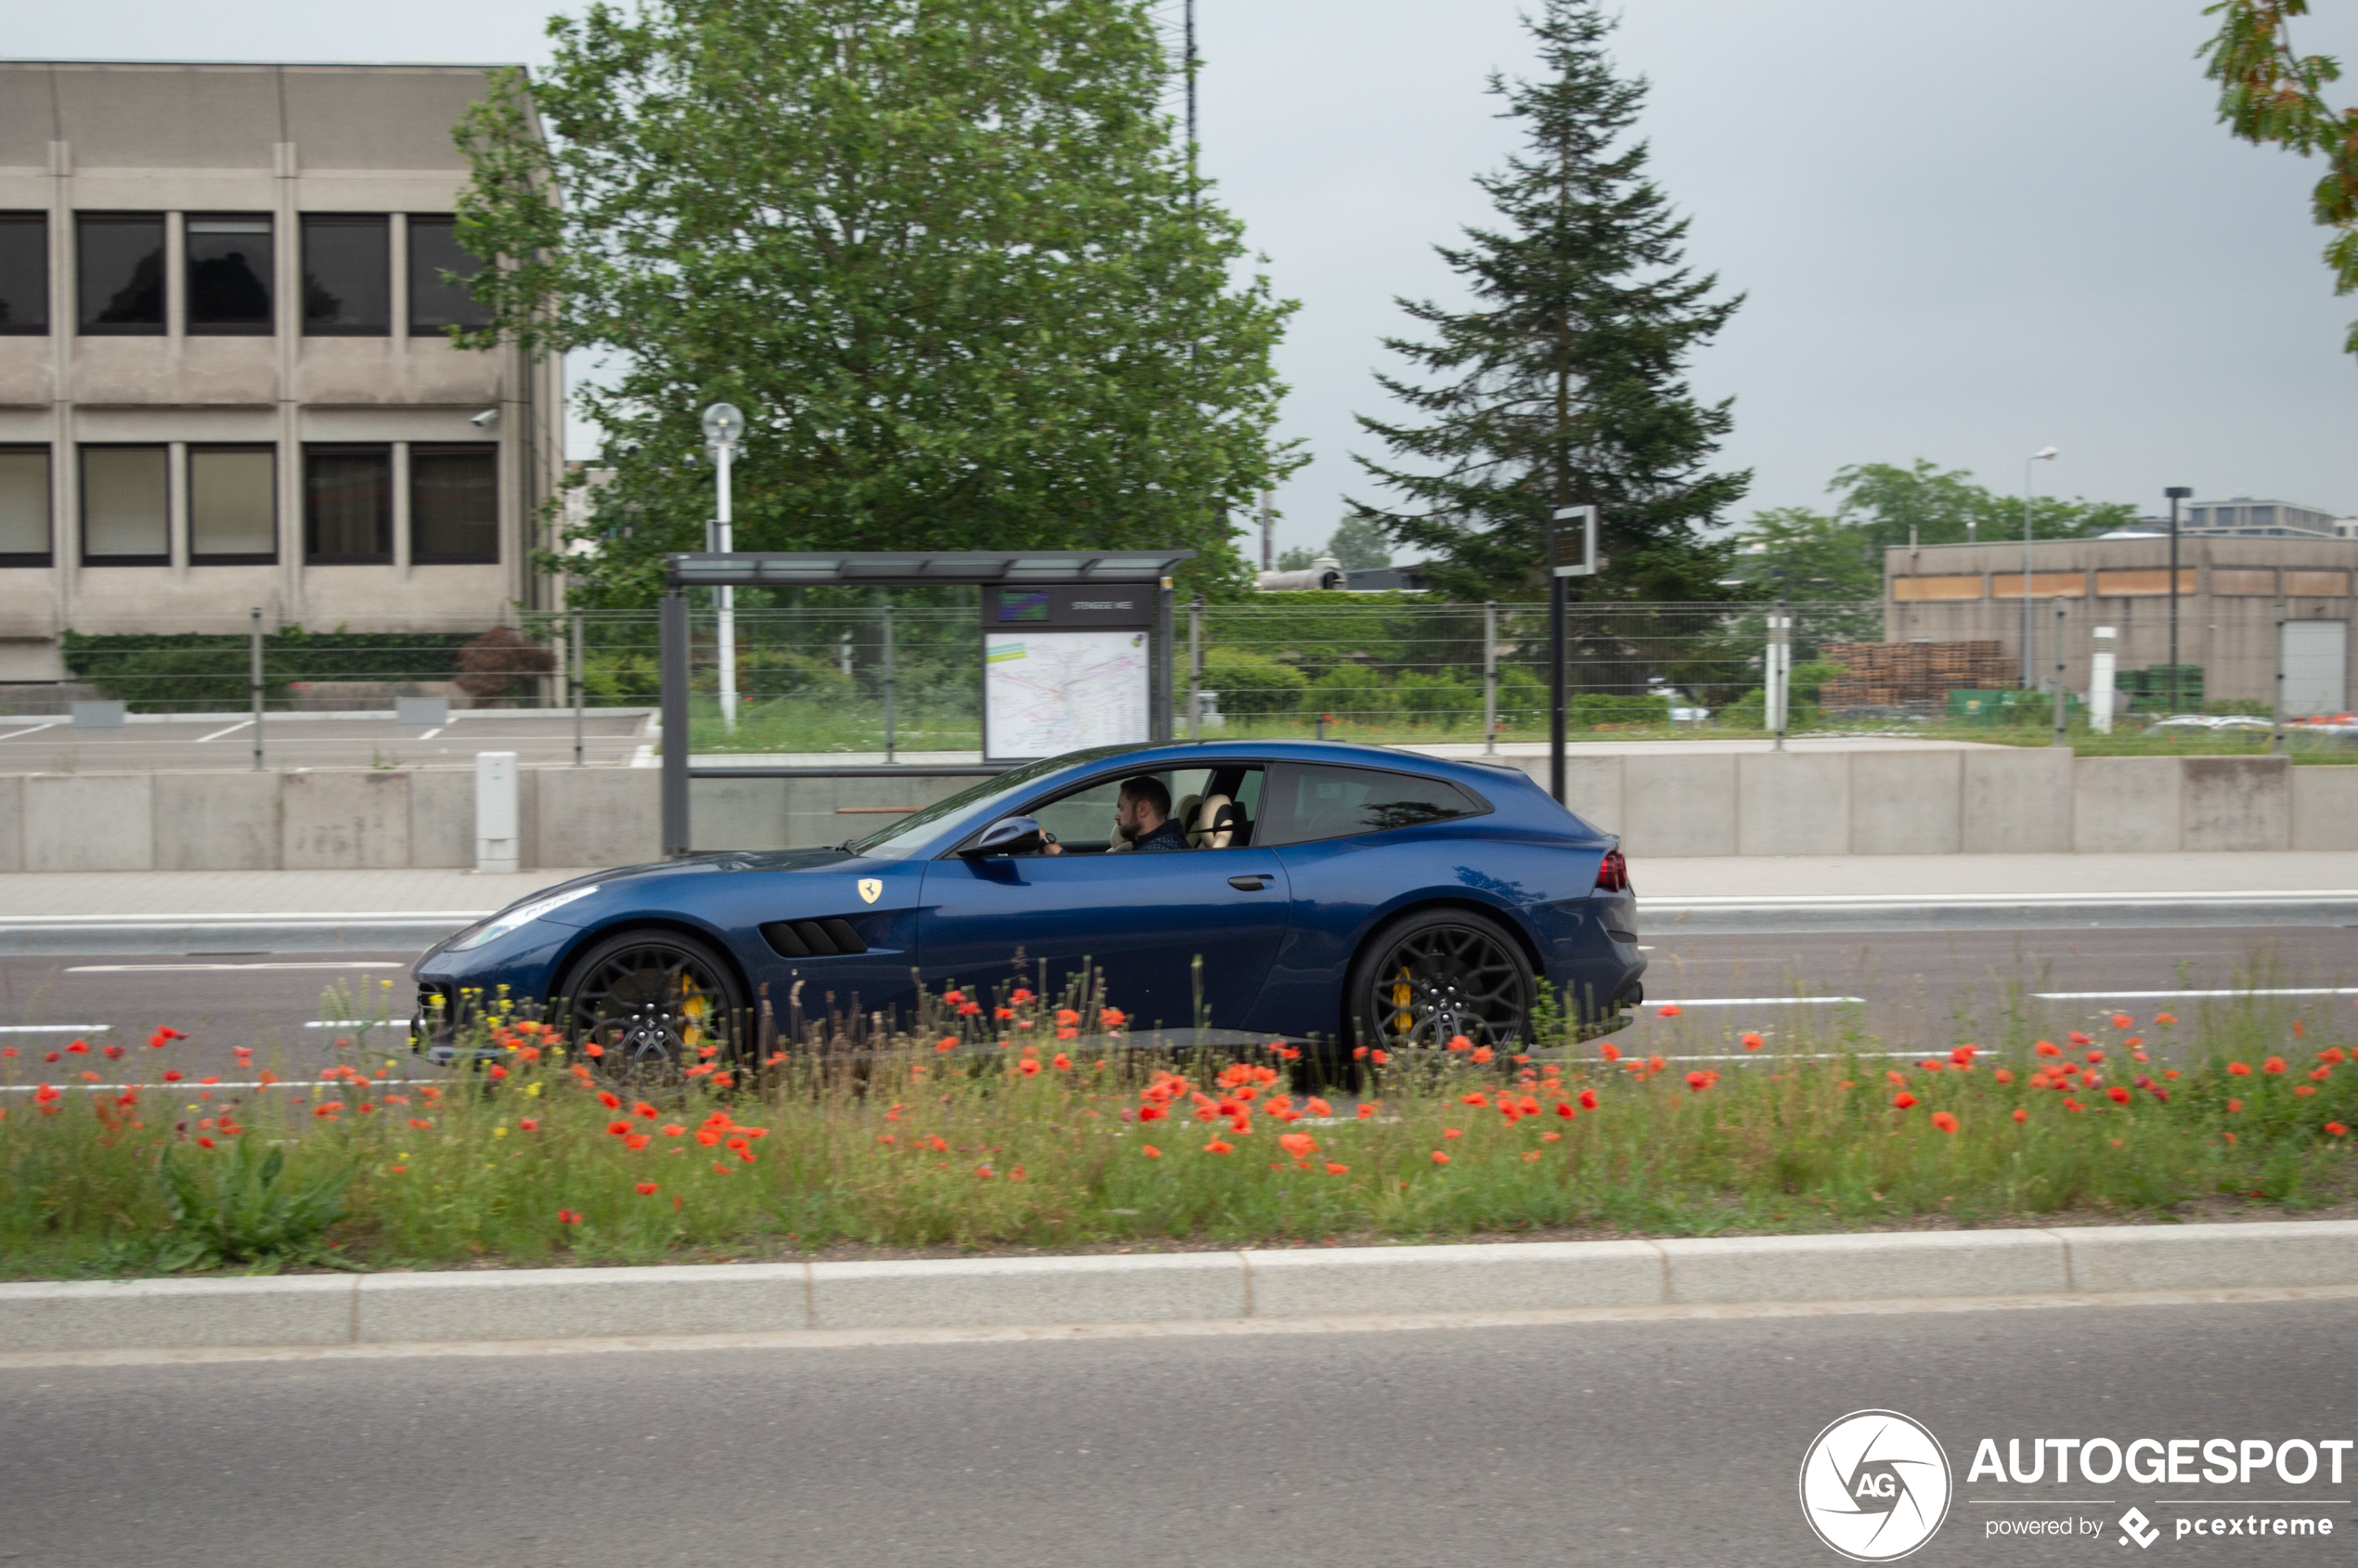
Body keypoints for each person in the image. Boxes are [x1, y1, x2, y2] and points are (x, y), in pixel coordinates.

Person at [1042, 774, 1188, 855]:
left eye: (1121, 808)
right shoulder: (1152, 847)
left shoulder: (1159, 852)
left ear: (1143, 809)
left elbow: (1096, 887)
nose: (1116, 816)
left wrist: (1047, 842)